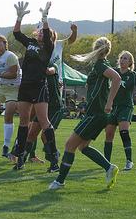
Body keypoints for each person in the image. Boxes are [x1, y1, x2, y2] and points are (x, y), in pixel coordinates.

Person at [48, 36, 122, 190]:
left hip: (96, 114)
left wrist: (109, 102)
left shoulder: (101, 65)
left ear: (96, 49)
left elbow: (117, 78)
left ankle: (59, 181)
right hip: (96, 114)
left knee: (70, 145)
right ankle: (109, 167)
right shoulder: (101, 64)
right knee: (83, 147)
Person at [9, 1, 58, 171]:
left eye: (45, 33)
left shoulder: (48, 48)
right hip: (25, 86)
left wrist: (45, 19)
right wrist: (19, 18)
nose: (42, 35)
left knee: (44, 121)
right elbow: (16, 34)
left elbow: (46, 31)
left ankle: (54, 159)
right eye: (41, 33)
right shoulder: (30, 43)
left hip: (39, 86)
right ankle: (21, 157)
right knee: (24, 122)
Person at [24, 22, 78, 171]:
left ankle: (54, 160)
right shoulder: (39, 48)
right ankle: (24, 157)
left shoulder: (58, 45)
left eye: (48, 34)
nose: (45, 36)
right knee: (31, 130)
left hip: (54, 92)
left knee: (44, 135)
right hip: (41, 89)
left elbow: (71, 40)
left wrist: (74, 31)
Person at [103, 51, 136, 171]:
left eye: (126, 58)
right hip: (113, 106)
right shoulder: (113, 72)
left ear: (130, 62)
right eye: (122, 58)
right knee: (108, 134)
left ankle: (129, 161)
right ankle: (106, 163)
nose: (123, 60)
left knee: (124, 131)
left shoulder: (133, 75)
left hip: (126, 107)